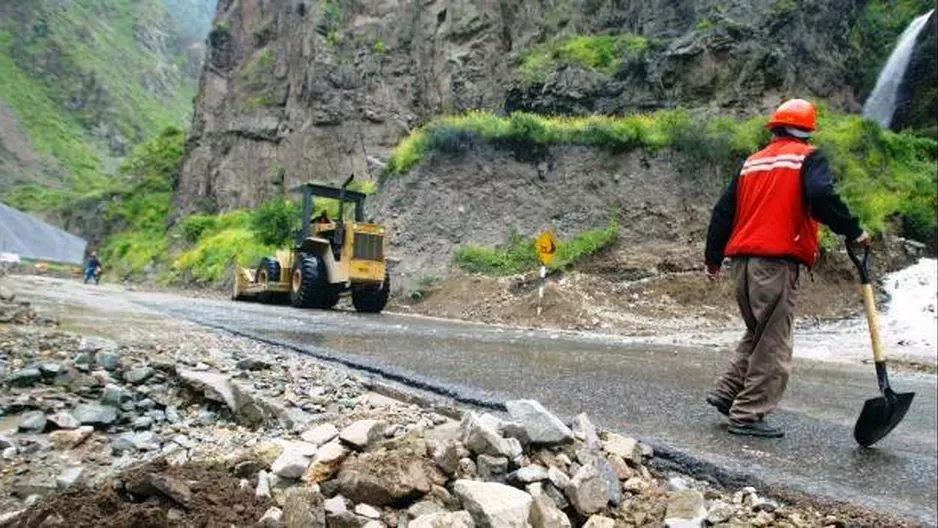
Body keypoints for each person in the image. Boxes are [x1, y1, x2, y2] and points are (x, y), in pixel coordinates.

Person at [703, 98, 871, 438]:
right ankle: (748, 415)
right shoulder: (808, 158)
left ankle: (727, 392)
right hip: (775, 263)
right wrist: (853, 230)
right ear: (808, 130)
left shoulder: (752, 163)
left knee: (758, 332)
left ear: (775, 127)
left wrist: (712, 259)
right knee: (774, 342)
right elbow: (821, 194)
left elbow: (722, 211)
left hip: (741, 264)